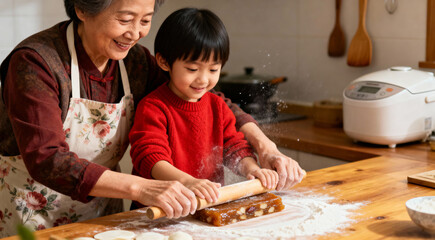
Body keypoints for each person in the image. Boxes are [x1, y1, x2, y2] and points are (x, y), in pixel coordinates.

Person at [0, 0, 303, 236]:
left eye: (145, 20)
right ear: (82, 9)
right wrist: (143, 188)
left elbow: (210, 101)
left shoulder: (135, 61)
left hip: (105, 211)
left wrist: (265, 148)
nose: (135, 33)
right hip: (32, 214)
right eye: (124, 19)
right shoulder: (35, 62)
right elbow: (47, 158)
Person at [129, 8, 279, 209]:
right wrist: (188, 182)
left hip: (205, 206)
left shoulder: (217, 106)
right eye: (192, 69)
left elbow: (235, 147)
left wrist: (252, 169)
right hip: (159, 211)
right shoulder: (153, 107)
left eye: (213, 69)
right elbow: (151, 158)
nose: (203, 79)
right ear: (164, 62)